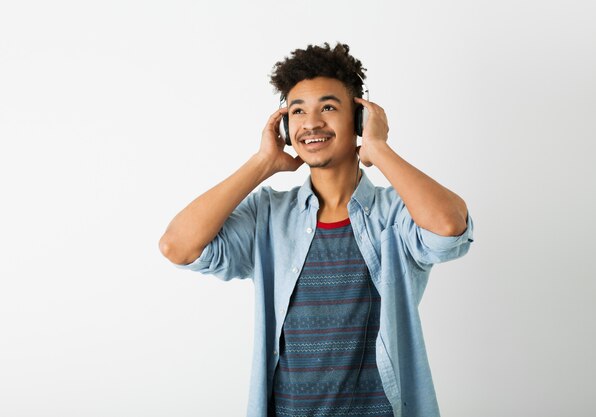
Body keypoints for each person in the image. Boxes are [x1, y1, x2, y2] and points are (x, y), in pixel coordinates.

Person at [159, 42, 474, 417]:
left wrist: (379, 148)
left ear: (358, 118)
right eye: (297, 111)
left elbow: (450, 226)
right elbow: (178, 246)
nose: (311, 123)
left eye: (327, 107)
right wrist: (262, 162)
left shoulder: (396, 214)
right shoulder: (269, 217)